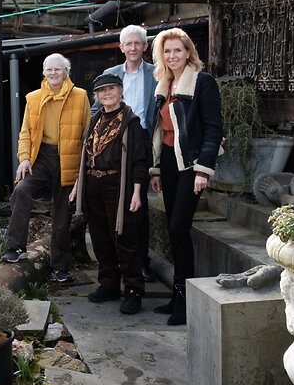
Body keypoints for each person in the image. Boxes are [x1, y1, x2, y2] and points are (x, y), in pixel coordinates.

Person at [149, 28, 223, 326]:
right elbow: (159, 130)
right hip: (168, 161)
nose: (172, 56)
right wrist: (156, 168)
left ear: (188, 52)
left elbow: (213, 128)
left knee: (179, 228)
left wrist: (203, 169)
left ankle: (185, 302)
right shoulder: (164, 84)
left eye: (177, 50)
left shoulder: (202, 82)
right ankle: (176, 297)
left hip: (191, 164)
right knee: (172, 228)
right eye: (167, 51)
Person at [2, 53, 91, 284]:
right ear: (43, 72)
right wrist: (24, 159)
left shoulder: (80, 96)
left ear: (66, 72)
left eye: (58, 69)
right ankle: (16, 246)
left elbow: (87, 134)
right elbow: (25, 133)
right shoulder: (33, 98)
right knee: (21, 190)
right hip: (41, 157)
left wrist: (82, 171)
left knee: (62, 214)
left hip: (68, 158)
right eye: (49, 69)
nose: (53, 73)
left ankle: (59, 268)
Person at [71, 73, 150, 314]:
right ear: (96, 95)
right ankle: (109, 284)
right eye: (102, 91)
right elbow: (86, 157)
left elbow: (140, 160)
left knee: (124, 238)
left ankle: (133, 290)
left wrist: (137, 192)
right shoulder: (95, 121)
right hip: (93, 186)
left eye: (111, 89)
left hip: (119, 185)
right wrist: (78, 185)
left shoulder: (131, 122)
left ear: (120, 91)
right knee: (100, 238)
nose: (107, 94)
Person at [96, 24, 157, 283]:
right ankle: (115, 265)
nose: (133, 48)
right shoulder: (110, 74)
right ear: (121, 47)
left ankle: (141, 263)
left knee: (137, 202)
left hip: (141, 140)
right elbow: (96, 109)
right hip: (112, 143)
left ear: (145, 46)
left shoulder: (156, 73)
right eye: (128, 44)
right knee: (111, 203)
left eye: (137, 43)